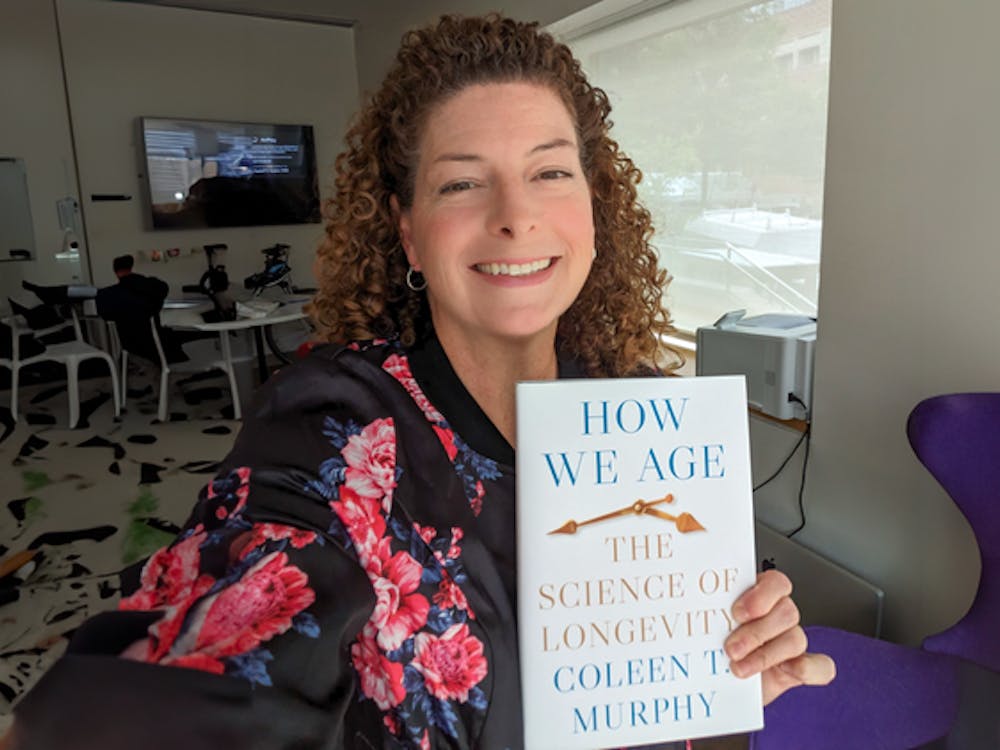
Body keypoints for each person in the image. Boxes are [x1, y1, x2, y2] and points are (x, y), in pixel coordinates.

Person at [4, 14, 834, 749]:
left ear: (594, 204)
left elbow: (676, 703)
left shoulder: (642, 413)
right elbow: (239, 600)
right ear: (406, 232)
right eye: (462, 182)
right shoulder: (336, 422)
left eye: (550, 171)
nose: (515, 213)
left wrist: (726, 665)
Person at [95, 254, 189, 363]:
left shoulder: (106, 295)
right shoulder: (154, 287)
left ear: (116, 272)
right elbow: (163, 289)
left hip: (128, 345)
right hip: (156, 343)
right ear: (131, 267)